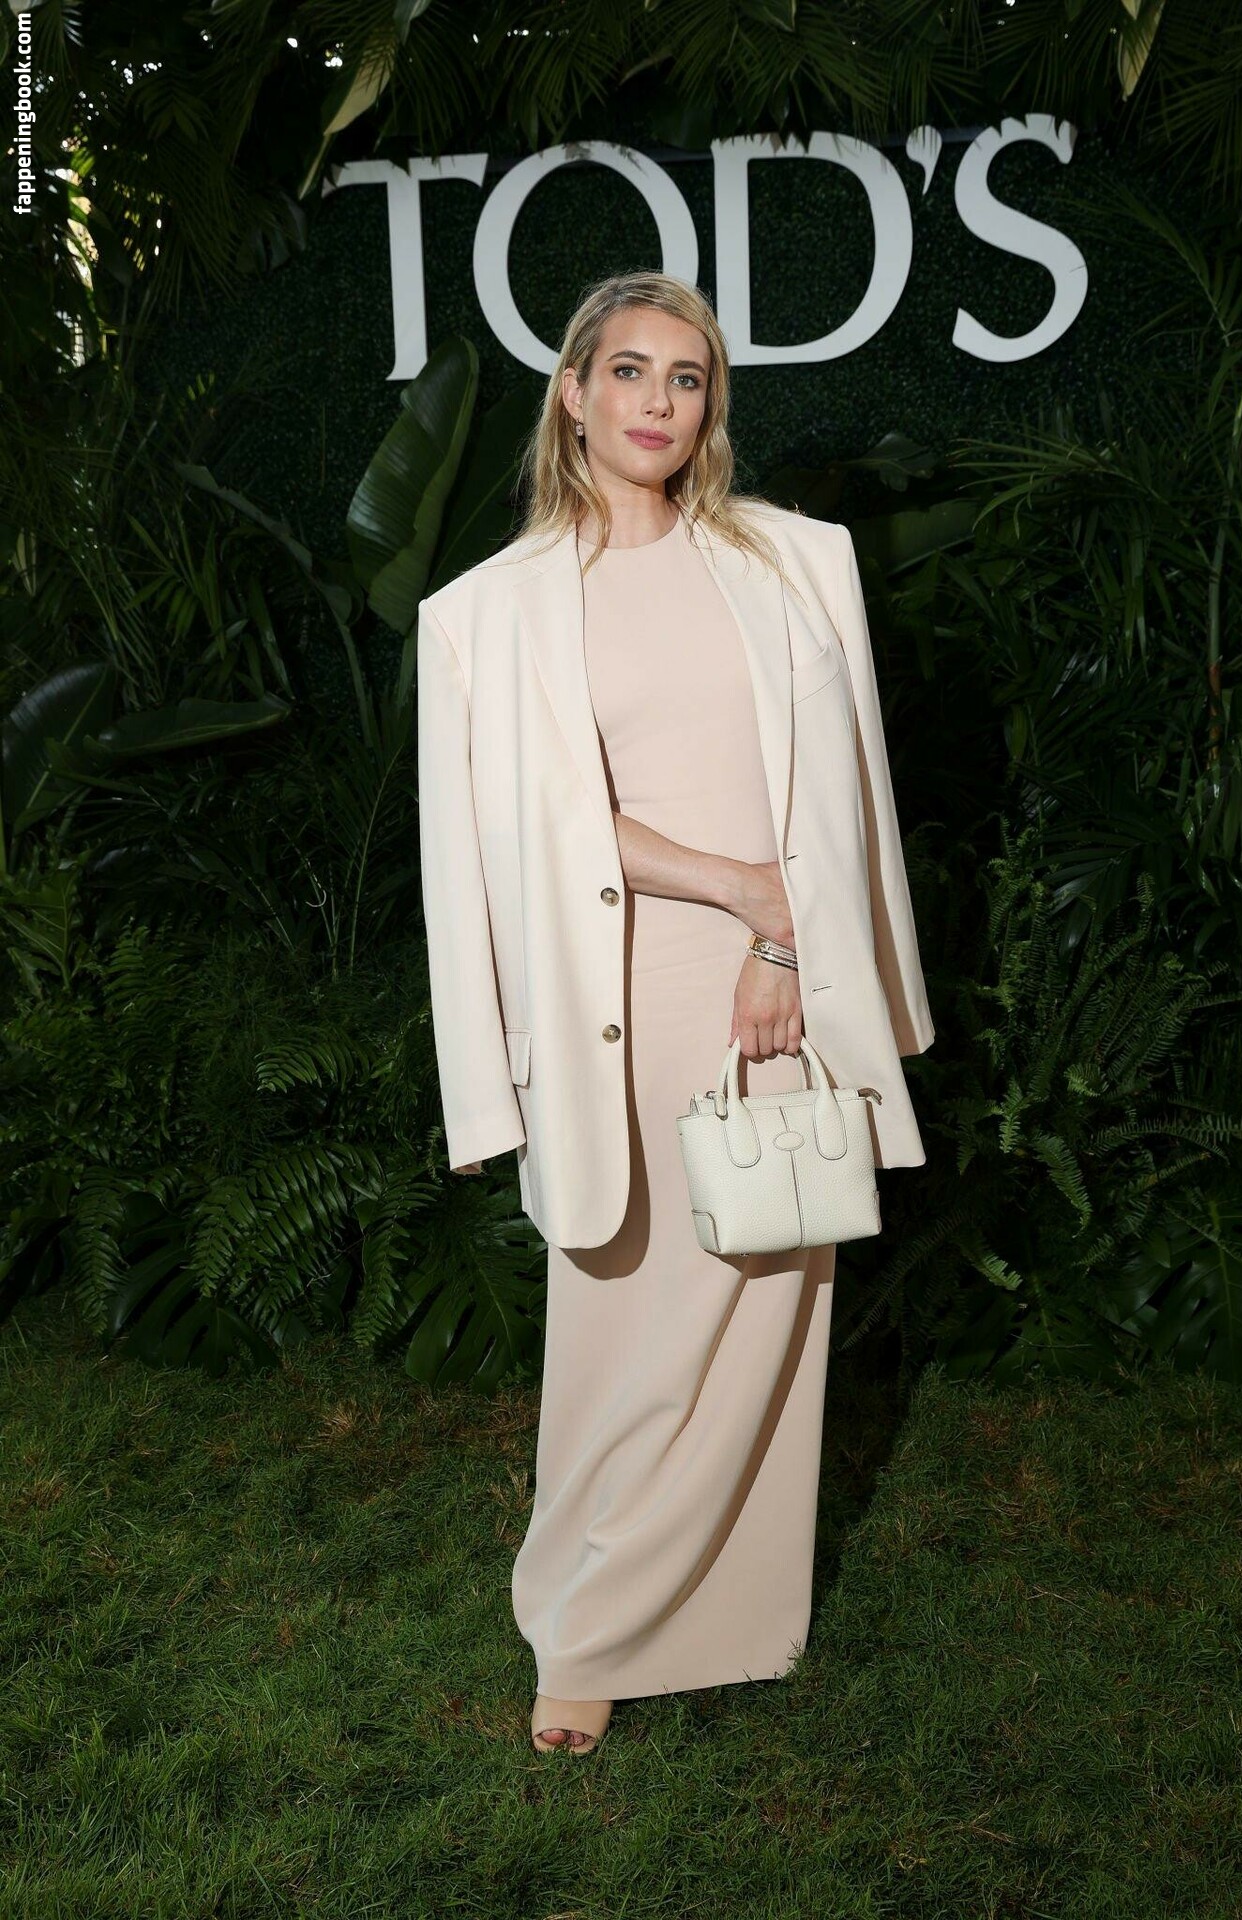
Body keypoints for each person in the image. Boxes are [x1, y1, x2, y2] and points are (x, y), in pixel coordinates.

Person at [415, 269, 934, 1756]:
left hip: (778, 984)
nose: (657, 401)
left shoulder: (795, 563)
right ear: (572, 394)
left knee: (767, 1296)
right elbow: (508, 840)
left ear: (711, 407)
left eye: (687, 377)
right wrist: (743, 890)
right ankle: (584, 1625)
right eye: (629, 371)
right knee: (624, 1320)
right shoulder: (484, 615)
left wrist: (788, 939)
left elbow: (837, 792)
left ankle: (710, 1618)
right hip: (620, 998)